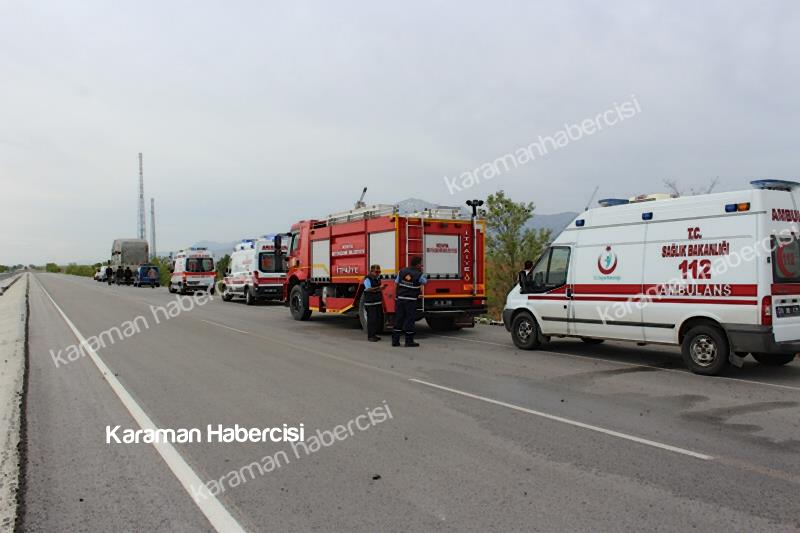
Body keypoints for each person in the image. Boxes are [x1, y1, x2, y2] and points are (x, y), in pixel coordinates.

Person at [392, 256, 427, 347]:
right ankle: (409, 341)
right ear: (418, 264)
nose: (421, 265)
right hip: (411, 301)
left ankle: (395, 341)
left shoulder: (402, 271)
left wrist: (396, 296)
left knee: (399, 319)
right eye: (421, 264)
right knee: (409, 320)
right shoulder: (419, 275)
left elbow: (396, 283)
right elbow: (425, 282)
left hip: (400, 299)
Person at [362, 264, 385, 342]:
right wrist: (379, 288)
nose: (378, 273)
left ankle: (374, 335)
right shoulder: (367, 279)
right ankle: (370, 336)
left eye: (379, 271)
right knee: (371, 320)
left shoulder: (377, 278)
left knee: (377, 320)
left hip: (377, 302)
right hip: (370, 303)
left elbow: (376, 290)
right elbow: (368, 289)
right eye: (376, 272)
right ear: (371, 271)